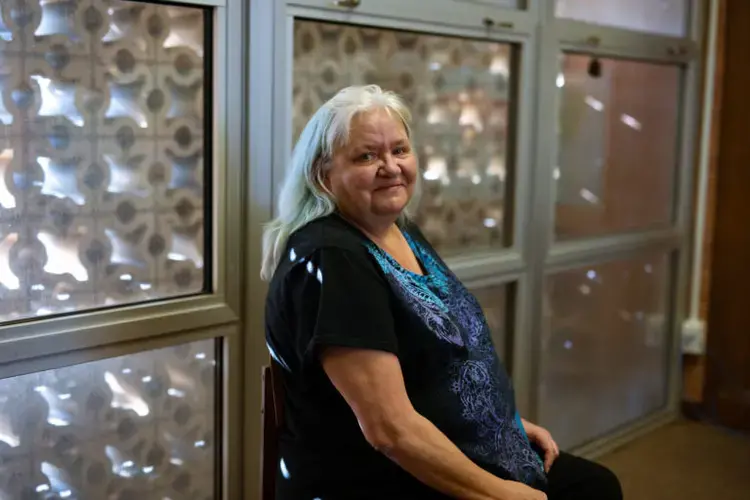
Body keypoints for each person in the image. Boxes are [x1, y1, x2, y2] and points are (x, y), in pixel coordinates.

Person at [261, 85, 623, 500]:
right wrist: (500, 495)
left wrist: (508, 426)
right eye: (366, 156)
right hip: (378, 478)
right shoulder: (332, 258)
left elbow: (437, 360)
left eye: (400, 150)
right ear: (323, 175)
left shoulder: (395, 228)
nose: (390, 167)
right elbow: (390, 430)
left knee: (595, 486)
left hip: (446, 448)